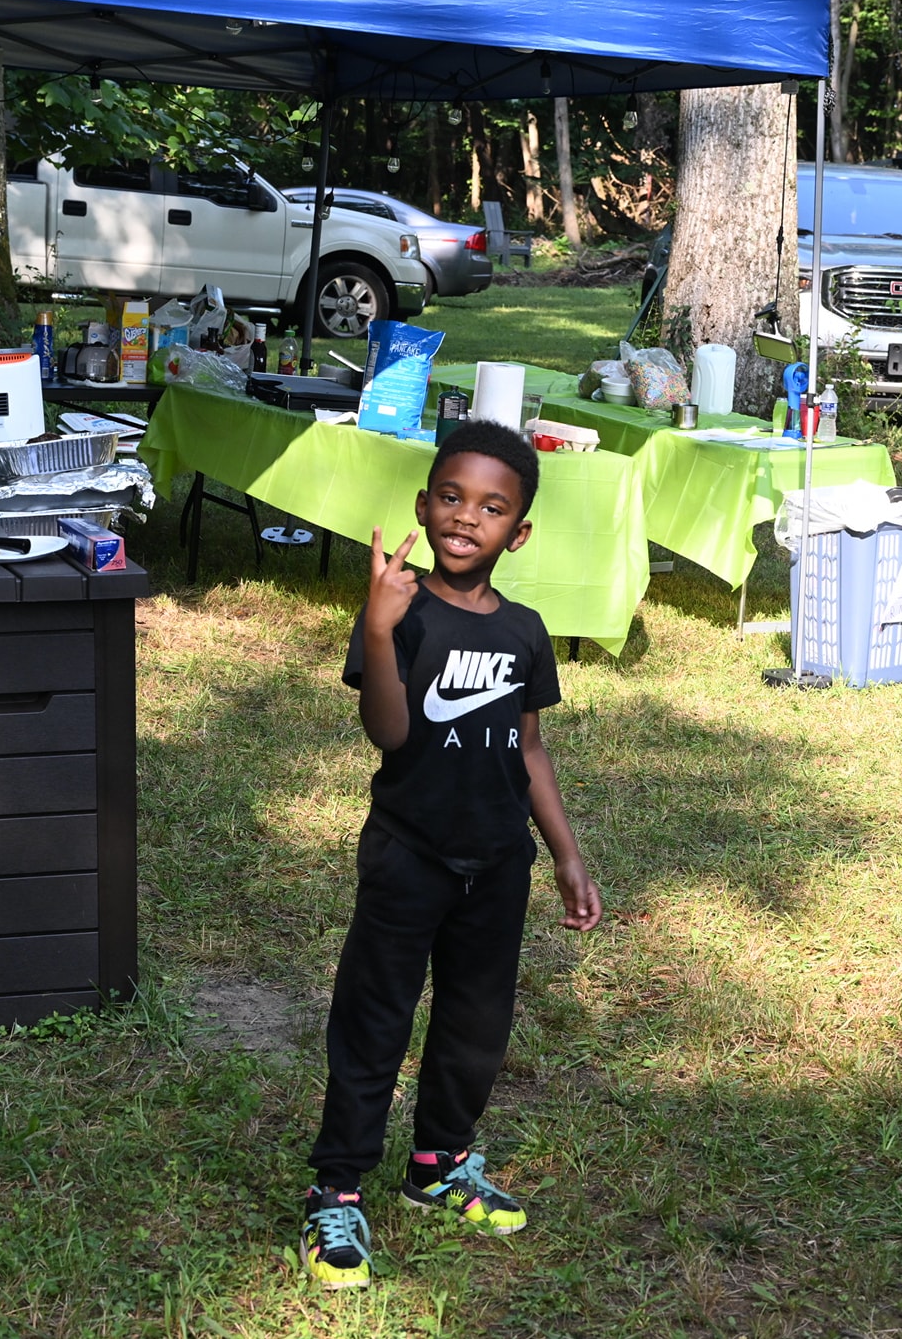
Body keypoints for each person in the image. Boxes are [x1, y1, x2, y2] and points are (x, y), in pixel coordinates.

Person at [299, 421, 601, 1291]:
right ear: (424, 505)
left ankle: (439, 1163)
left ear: (520, 532)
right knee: (374, 1021)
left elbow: (529, 748)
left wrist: (566, 854)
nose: (467, 516)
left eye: (491, 507)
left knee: (476, 1023)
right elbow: (389, 732)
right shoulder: (400, 612)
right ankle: (337, 1190)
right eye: (451, 497)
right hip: (409, 855)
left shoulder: (526, 631)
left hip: (498, 864)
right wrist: (380, 630)